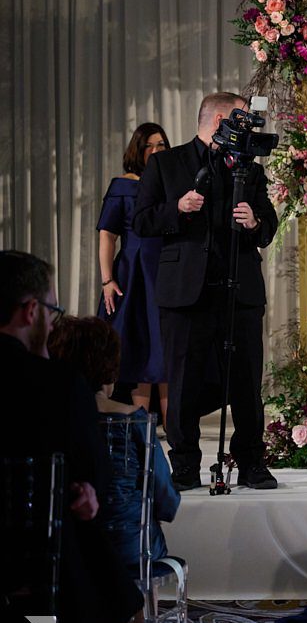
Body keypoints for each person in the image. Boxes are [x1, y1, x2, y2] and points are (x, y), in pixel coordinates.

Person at [0, 250, 142, 623]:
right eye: (52, 310)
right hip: (38, 581)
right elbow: (92, 476)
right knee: (88, 556)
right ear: (30, 311)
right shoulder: (57, 385)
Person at [132, 92, 279, 492]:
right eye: (243, 119)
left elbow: (269, 224)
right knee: (183, 382)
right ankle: (183, 465)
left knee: (247, 381)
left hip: (240, 289)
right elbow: (141, 221)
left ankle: (251, 462)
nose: (250, 127)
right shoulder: (166, 164)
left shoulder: (249, 168)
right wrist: (177, 208)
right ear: (219, 122)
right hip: (186, 293)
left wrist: (254, 223)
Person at [48, 314, 181, 623]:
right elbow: (165, 500)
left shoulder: (51, 418)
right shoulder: (135, 422)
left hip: (65, 550)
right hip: (126, 545)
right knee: (140, 559)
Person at [98, 122, 171, 420]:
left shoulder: (171, 182)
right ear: (137, 150)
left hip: (166, 271)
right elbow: (107, 234)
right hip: (133, 273)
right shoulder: (123, 185)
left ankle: (175, 433)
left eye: (161, 146)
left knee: (165, 348)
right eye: (148, 146)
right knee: (140, 346)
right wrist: (107, 279)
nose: (154, 151)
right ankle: (141, 431)